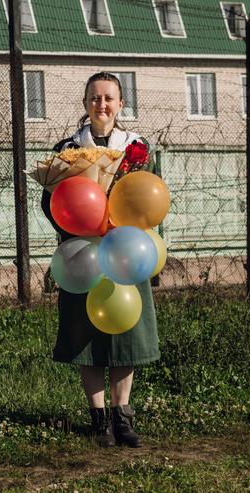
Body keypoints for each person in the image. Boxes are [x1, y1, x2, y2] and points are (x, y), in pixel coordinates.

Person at [41, 72, 160, 448]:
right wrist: (80, 225)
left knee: (127, 335)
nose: (102, 105)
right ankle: (98, 420)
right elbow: (51, 204)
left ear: (121, 104)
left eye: (109, 98)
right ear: (85, 104)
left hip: (127, 253)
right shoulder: (67, 151)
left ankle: (123, 418)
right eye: (95, 98)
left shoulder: (138, 151)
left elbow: (152, 203)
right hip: (84, 254)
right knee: (85, 335)